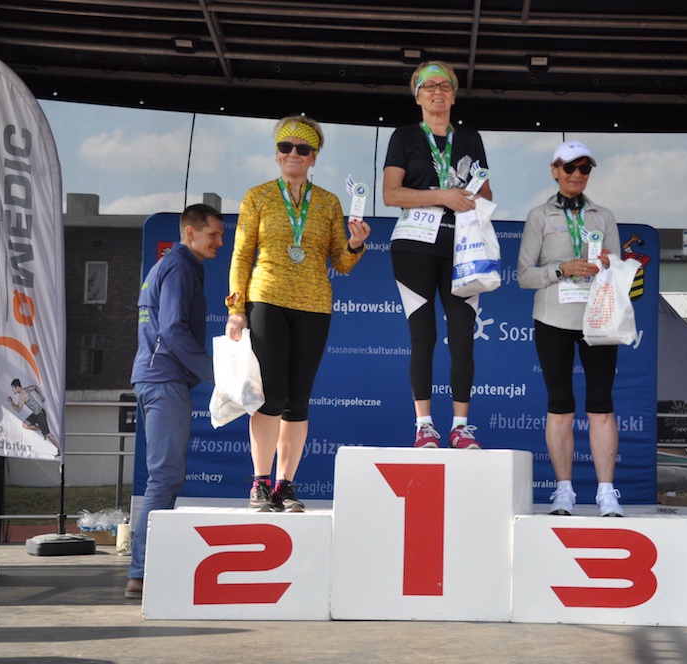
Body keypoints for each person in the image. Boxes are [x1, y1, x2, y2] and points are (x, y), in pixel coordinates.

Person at [226, 115, 370, 512]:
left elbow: (341, 262)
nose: (293, 153)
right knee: (270, 395)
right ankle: (260, 482)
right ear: (276, 155)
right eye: (285, 147)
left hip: (314, 306)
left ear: (314, 157)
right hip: (266, 299)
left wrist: (356, 245)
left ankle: (285, 485)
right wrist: (236, 308)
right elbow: (241, 254)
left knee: (298, 400)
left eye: (303, 149)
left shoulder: (328, 202)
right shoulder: (257, 196)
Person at [382, 61, 492, 449]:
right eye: (429, 87)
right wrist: (442, 195)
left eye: (445, 86)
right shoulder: (404, 136)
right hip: (414, 243)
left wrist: (469, 195)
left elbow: (487, 193)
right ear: (418, 97)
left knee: (462, 336)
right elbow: (390, 194)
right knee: (423, 335)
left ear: (454, 96)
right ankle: (424, 425)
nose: (437, 92)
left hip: (462, 245)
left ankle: (461, 426)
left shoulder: (470, 138)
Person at [517, 141, 625, 517]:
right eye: (569, 167)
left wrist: (610, 264)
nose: (577, 174)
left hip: (597, 319)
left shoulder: (603, 216)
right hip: (554, 319)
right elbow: (524, 275)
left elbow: (619, 271)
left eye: (584, 168)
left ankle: (606, 493)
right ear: (555, 170)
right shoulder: (539, 216)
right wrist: (563, 269)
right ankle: (564, 491)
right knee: (560, 406)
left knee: (601, 406)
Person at [126, 203, 225, 600]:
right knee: (165, 477)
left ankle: (144, 569)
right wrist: (217, 373)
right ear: (189, 233)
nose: (220, 241)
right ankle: (141, 572)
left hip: (155, 378)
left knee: (164, 476)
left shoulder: (171, 265)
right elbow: (172, 329)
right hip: (164, 379)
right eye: (213, 234)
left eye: (221, 235)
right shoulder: (181, 266)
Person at [8, 379, 60, 456]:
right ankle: (41, 429)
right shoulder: (26, 389)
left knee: (48, 434)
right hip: (36, 413)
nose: (13, 390)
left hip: (40, 414)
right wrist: (42, 396)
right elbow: (35, 387)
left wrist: (11, 402)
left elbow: (18, 409)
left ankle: (60, 448)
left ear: (17, 387)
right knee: (25, 424)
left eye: (13, 388)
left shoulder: (22, 396)